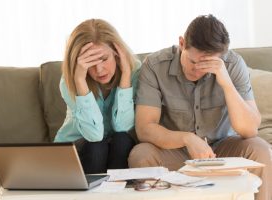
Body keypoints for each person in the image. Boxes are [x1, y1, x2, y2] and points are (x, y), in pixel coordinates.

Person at [128, 14, 272, 200]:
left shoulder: (233, 64)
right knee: (141, 155)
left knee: (259, 148)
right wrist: (187, 139)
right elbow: (145, 129)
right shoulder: (155, 66)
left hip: (222, 148)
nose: (198, 70)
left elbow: (249, 129)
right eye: (193, 61)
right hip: (176, 149)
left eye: (207, 64)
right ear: (182, 44)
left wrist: (226, 82)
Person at [54, 19, 140, 174]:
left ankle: (116, 195)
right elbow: (94, 135)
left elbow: (123, 127)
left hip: (116, 149)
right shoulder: (69, 81)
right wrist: (80, 81)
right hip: (79, 148)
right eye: (90, 63)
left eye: (104, 59)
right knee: (97, 145)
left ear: (117, 52)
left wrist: (126, 76)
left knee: (122, 139)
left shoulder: (134, 72)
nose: (99, 70)